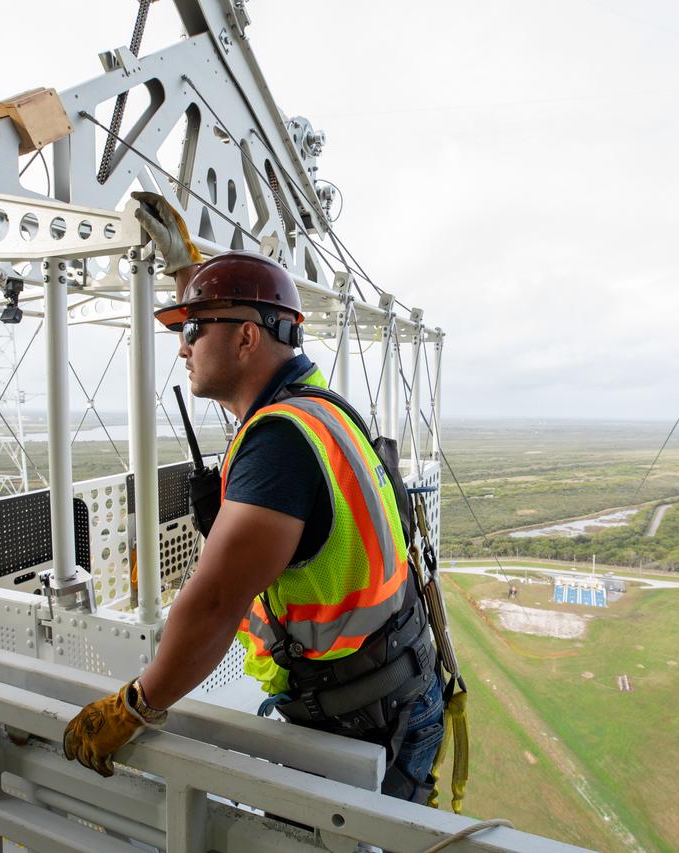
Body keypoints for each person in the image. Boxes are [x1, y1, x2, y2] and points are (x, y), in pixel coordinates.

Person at [63, 193, 443, 802]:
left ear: (245, 339)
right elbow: (242, 328)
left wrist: (134, 707)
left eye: (192, 330)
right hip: (390, 690)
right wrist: (194, 276)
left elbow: (214, 604)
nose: (183, 348)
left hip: (366, 723)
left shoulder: (280, 446)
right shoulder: (316, 407)